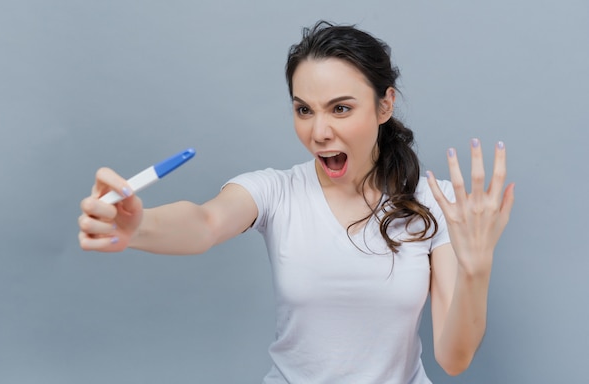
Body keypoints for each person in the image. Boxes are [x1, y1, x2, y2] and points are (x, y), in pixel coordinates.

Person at [78, 20, 514, 383]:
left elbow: (454, 359)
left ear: (385, 106)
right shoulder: (276, 191)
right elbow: (205, 222)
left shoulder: (433, 201)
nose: (318, 132)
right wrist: (137, 228)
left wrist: (477, 268)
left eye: (340, 109)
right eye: (304, 109)